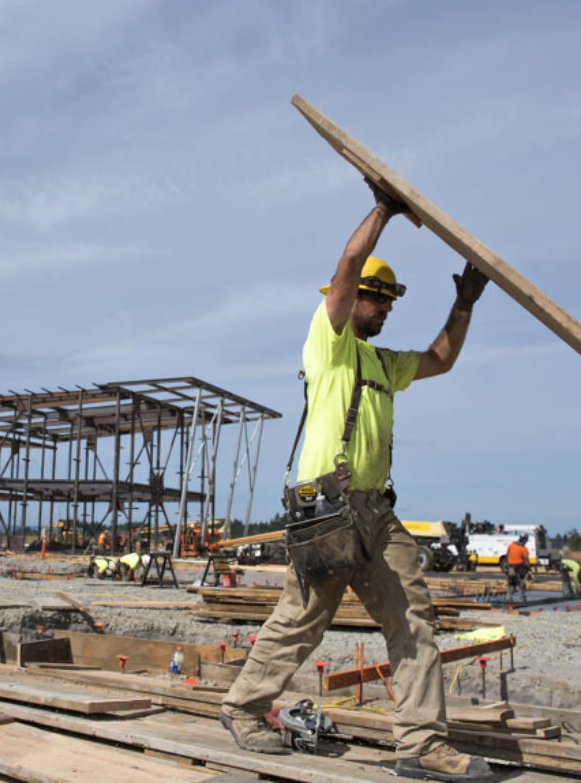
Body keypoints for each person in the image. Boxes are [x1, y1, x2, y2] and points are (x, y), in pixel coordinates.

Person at [219, 180, 492, 781]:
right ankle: (243, 708)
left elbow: (440, 358)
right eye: (380, 299)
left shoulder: (382, 363)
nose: (388, 308)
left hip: (375, 514)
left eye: (392, 300)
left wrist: (465, 303)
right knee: (303, 620)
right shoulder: (330, 342)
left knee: (414, 621)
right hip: (327, 510)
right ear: (356, 298)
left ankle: (422, 746)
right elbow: (345, 264)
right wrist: (384, 211)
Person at [505, 535, 531, 602]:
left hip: (511, 567)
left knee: (511, 583)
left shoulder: (511, 545)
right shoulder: (524, 548)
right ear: (524, 541)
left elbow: (507, 554)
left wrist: (507, 564)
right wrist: (529, 568)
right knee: (521, 583)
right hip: (519, 568)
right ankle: (522, 598)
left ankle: (508, 597)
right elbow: (526, 560)